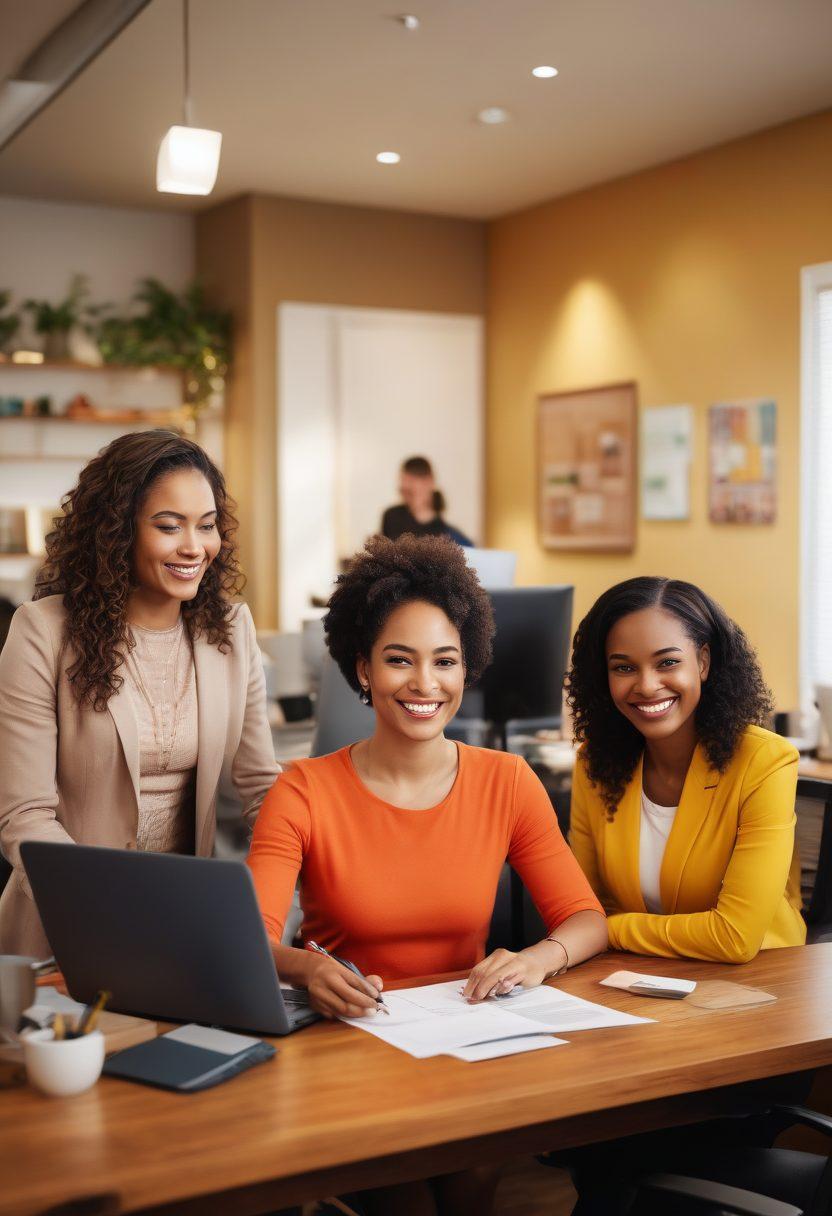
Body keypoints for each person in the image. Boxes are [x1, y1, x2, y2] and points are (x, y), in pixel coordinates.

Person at [247, 534, 606, 1216]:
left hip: (466, 1046)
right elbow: (253, 941)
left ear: (466, 667)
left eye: (444, 661)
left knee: (470, 1180)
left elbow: (586, 920)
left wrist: (537, 960)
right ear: (362, 667)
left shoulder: (507, 780)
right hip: (348, 1050)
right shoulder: (304, 789)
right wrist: (303, 969)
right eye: (398, 661)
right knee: (406, 1197)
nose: (424, 685)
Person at [0, 430, 278, 958]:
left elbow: (263, 787)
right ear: (115, 532)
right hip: (65, 929)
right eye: (169, 527)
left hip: (180, 928)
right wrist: (117, 908)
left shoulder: (231, 630)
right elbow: (25, 817)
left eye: (207, 525)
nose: (195, 547)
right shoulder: (42, 632)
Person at [567, 575, 805, 963]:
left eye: (668, 662)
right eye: (623, 668)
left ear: (704, 662)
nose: (646, 685)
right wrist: (589, 927)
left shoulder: (765, 762)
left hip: (760, 986)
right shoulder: (595, 764)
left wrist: (604, 930)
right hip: (638, 981)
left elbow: (733, 936)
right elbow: (581, 905)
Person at [380, 455, 472, 546]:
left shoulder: (450, 535)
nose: (406, 486)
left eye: (412, 482)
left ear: (429, 482)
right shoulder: (392, 517)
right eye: (404, 481)